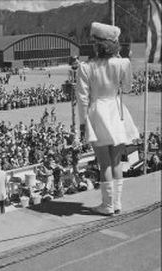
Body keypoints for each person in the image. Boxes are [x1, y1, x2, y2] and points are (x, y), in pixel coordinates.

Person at [76, 22, 139, 216]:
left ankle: (107, 205)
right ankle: (116, 203)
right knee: (116, 162)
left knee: (104, 163)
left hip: (98, 113)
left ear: (97, 44)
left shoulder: (86, 67)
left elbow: (82, 98)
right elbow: (127, 88)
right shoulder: (123, 63)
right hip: (117, 111)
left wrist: (82, 123)